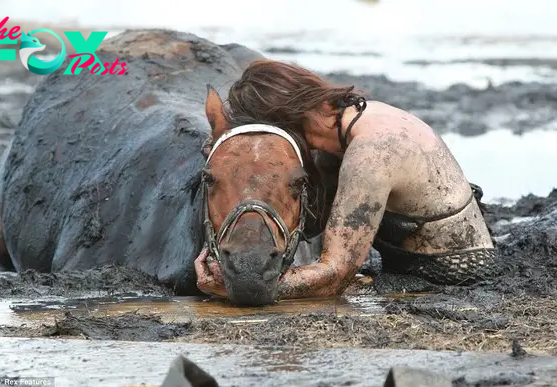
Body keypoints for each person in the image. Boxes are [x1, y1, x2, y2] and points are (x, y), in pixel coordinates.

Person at [194, 59, 497, 300]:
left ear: (283, 120)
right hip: (417, 262)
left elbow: (335, 275)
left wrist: (239, 285)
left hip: (448, 275)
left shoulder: (371, 152)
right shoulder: (356, 124)